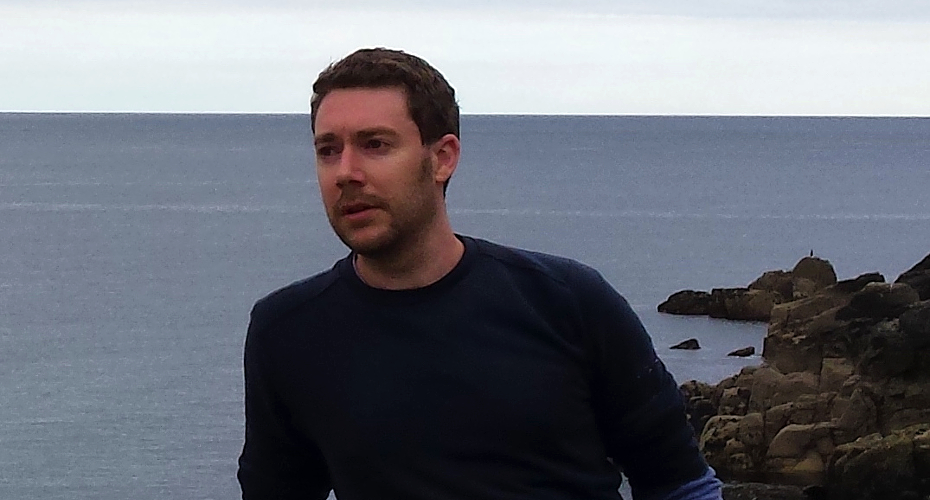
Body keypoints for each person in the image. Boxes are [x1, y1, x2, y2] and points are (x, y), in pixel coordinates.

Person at [237, 47, 722, 500]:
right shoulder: (287, 331)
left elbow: (680, 485)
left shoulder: (567, 301)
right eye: (328, 150)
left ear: (442, 157)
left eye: (375, 145)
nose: (346, 172)